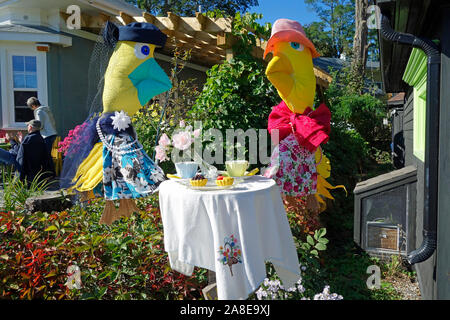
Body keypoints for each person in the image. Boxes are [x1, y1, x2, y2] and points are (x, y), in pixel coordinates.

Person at [16, 119, 54, 184]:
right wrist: (22, 141)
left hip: (27, 173)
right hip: (38, 174)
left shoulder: (28, 139)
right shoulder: (41, 139)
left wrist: (14, 142)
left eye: (28, 126)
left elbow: (20, 155)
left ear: (30, 127)